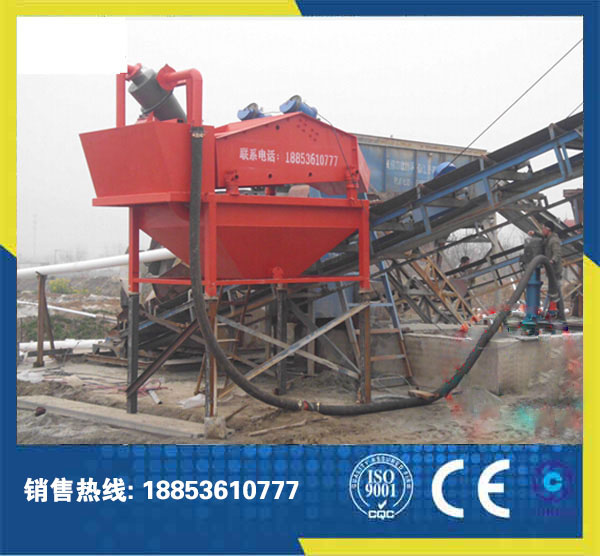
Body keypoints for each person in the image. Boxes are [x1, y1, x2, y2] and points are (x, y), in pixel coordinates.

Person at [527, 221, 562, 316]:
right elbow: (542, 235)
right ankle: (552, 312)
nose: (542, 230)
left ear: (548, 229)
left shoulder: (554, 240)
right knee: (553, 291)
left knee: (554, 291)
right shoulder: (548, 238)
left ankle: (554, 312)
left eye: (543, 228)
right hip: (550, 269)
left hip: (554, 270)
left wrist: (552, 261)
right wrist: (534, 233)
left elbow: (557, 253)